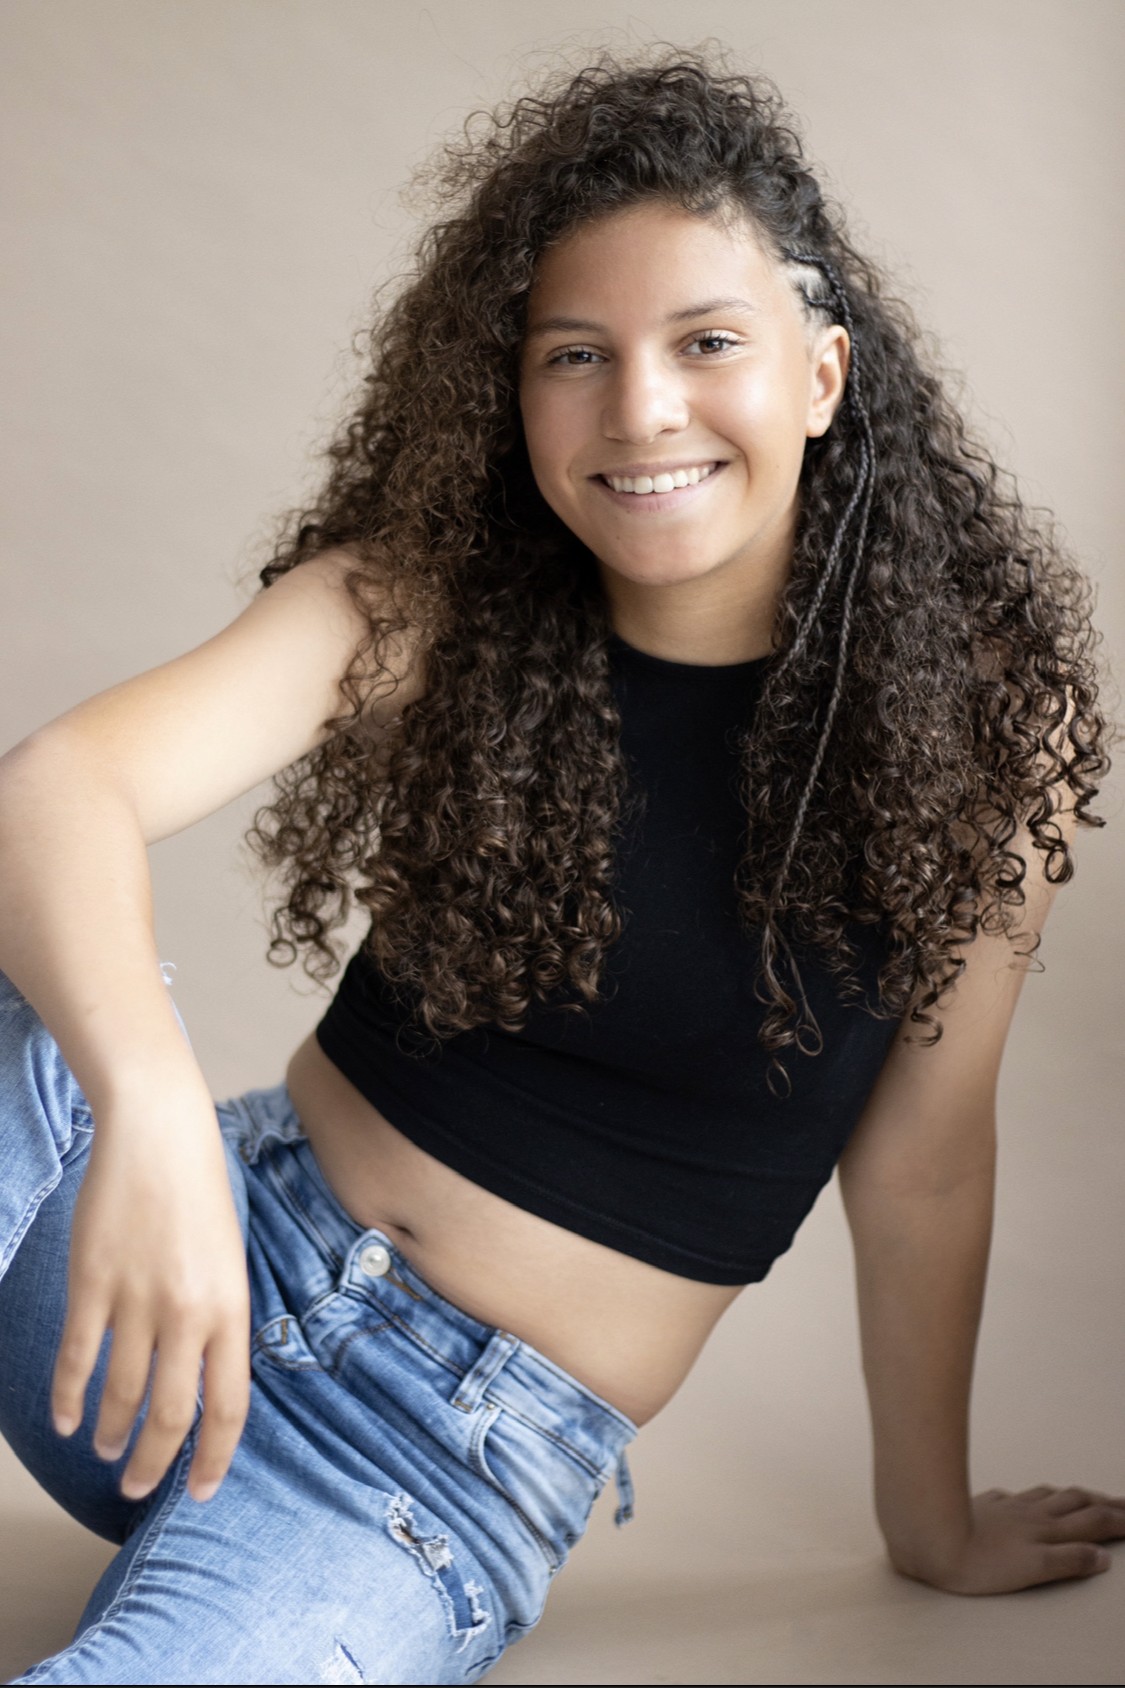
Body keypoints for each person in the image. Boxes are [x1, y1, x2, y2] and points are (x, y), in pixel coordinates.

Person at [0, 48, 1119, 1687]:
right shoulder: (431, 603)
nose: (641, 408)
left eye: (706, 343)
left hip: (420, 1476)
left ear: (821, 374)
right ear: (512, 395)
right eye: (574, 355)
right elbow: (58, 787)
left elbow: (924, 1165)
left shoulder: (982, 726)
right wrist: (153, 1112)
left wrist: (928, 1523)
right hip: (166, 1271)